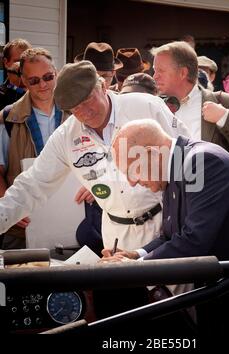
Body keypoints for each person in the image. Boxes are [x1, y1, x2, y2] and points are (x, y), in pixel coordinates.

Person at [0, 60, 189, 253]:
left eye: (87, 99)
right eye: (74, 108)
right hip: (116, 237)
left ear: (103, 85)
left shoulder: (147, 107)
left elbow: (187, 156)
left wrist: (194, 220)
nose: (84, 111)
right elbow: (31, 185)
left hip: (164, 225)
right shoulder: (66, 136)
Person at [104, 119, 229, 280]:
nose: (132, 182)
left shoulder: (202, 162)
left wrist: (133, 267)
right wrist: (135, 255)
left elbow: (194, 241)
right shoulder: (174, 166)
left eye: (133, 171)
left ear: (151, 153)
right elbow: (170, 235)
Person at [0, 47, 72, 249]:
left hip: (72, 223)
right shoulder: (7, 119)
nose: (43, 84)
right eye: (34, 80)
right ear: (23, 81)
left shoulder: (78, 113)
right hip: (24, 228)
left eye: (48, 77)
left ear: (56, 73)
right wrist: (9, 210)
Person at [151, 41, 229, 155]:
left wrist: (224, 117)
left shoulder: (223, 102)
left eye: (160, 71)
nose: (154, 76)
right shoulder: (155, 106)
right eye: (155, 70)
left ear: (182, 73)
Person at [0, 38, 32, 111]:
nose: (24, 66)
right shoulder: (1, 94)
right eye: (19, 61)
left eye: (28, 61)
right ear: (6, 62)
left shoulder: (40, 90)